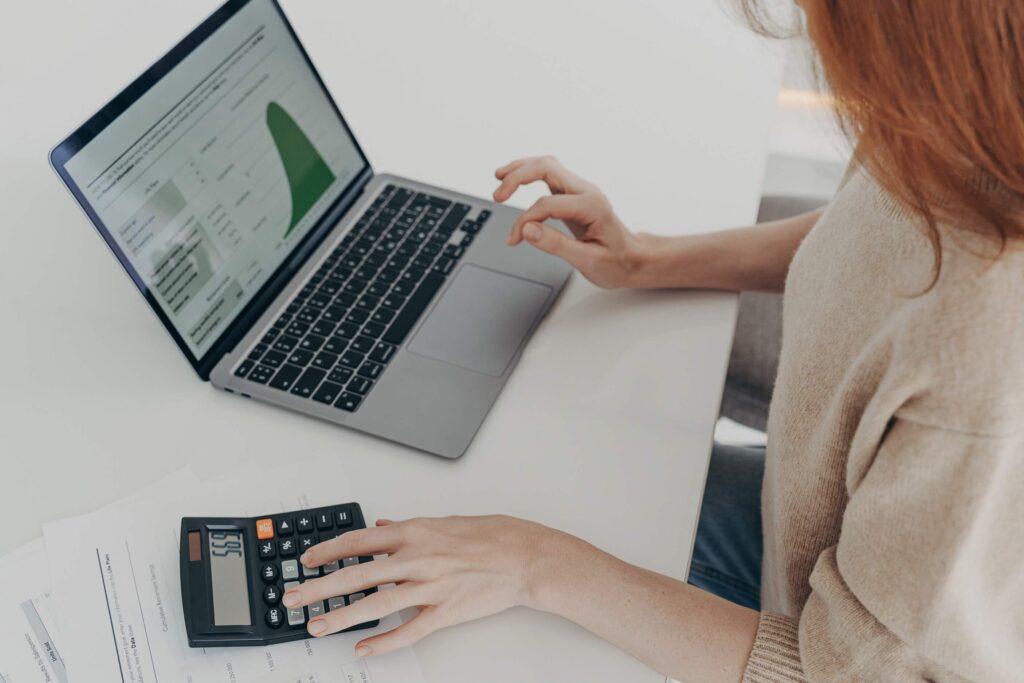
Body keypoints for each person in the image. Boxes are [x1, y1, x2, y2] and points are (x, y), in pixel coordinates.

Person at [282, 1, 1024, 680]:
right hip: (846, 508)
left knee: (495, 535)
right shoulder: (967, 113)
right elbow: (873, 235)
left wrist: (535, 560)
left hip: (836, 626)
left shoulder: (982, 352)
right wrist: (644, 259)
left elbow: (843, 670)